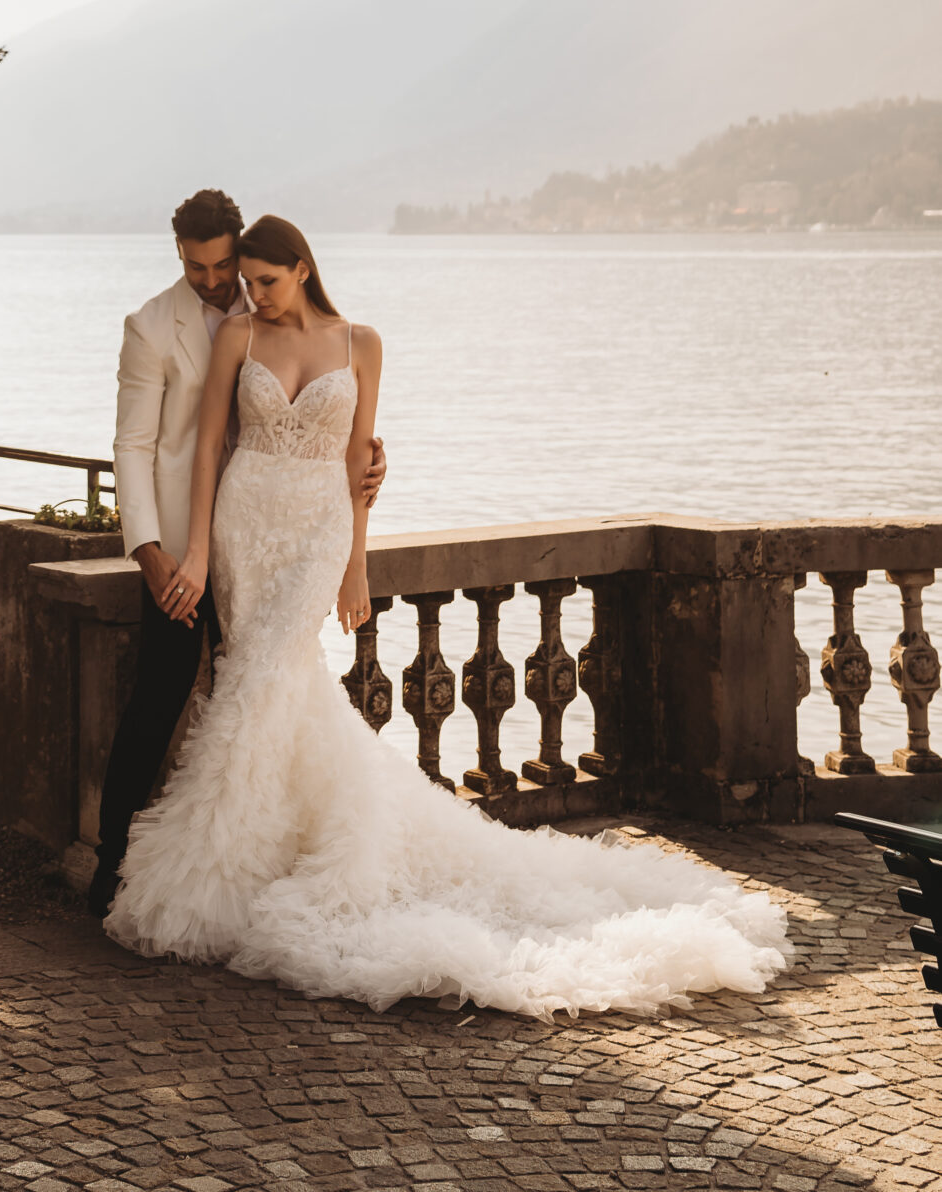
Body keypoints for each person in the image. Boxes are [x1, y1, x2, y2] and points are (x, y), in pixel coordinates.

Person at [105, 213, 791, 1019]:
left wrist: (355, 560)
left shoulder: (361, 343)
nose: (248, 295)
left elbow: (360, 458)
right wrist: (192, 554)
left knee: (266, 677)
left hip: (317, 532)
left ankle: (236, 867)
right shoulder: (235, 338)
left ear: (300, 268)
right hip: (243, 525)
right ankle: (251, 857)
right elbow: (206, 445)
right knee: (261, 683)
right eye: (243, 282)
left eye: (263, 280)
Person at [88, 188, 386, 917]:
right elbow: (133, 446)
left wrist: (369, 467)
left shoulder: (281, 317)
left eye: (227, 268)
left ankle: (264, 859)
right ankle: (110, 861)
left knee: (263, 690)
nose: (218, 283)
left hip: (287, 530)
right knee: (161, 695)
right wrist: (153, 553)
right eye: (200, 269)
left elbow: (342, 432)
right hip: (197, 539)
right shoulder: (153, 327)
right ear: (180, 257)